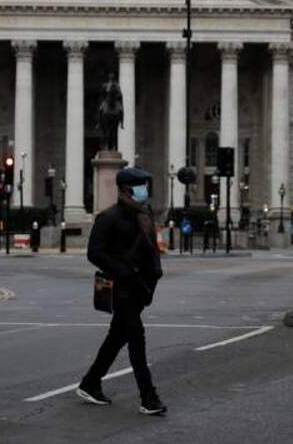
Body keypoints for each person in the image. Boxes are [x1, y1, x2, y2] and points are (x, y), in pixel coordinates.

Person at [77, 167, 165, 415]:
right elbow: (94, 253)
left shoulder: (144, 214)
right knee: (136, 338)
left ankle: (90, 383)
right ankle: (148, 397)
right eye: (139, 186)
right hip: (121, 288)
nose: (144, 191)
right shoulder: (109, 218)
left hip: (140, 287)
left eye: (144, 186)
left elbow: (151, 248)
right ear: (126, 189)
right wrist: (122, 270)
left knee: (117, 337)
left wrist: (155, 271)